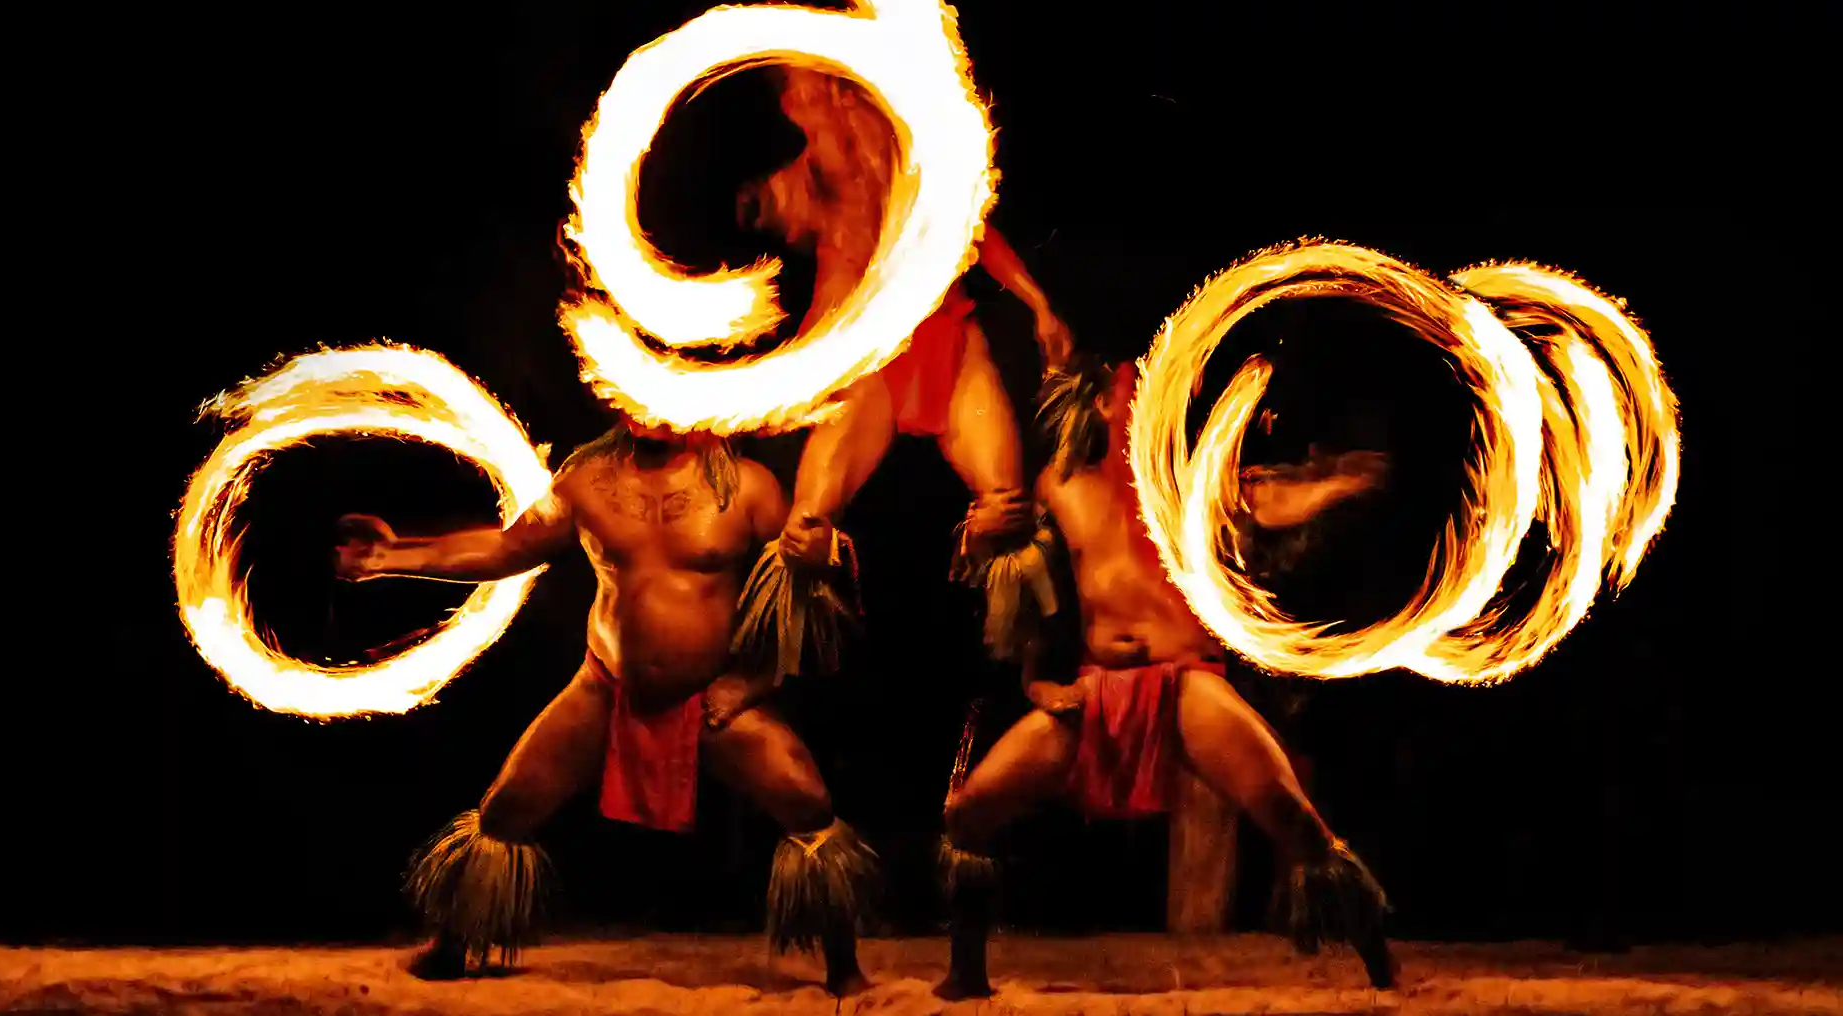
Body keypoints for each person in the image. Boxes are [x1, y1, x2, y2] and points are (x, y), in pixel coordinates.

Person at [334, 416, 877, 995]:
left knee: (809, 807)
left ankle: (845, 968)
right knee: (506, 810)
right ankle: (450, 948)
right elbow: (505, 548)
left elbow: (811, 599)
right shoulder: (586, 481)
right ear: (621, 399)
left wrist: (763, 664)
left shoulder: (747, 487)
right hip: (604, 687)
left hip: (714, 695)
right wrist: (392, 556)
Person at [931, 355, 1398, 1000]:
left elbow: (1272, 499)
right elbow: (1024, 593)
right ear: (1103, 403)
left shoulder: (1192, 486)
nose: (1156, 389)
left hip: (1186, 687)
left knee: (1296, 822)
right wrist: (1033, 677)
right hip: (1095, 692)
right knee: (969, 815)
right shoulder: (1059, 488)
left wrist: (1337, 484)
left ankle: (1382, 968)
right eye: (1137, 381)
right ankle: (966, 975)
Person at [736, 66, 1073, 669]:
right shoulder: (802, 181)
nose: (815, 97)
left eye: (823, 84)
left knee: (1008, 511)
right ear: (790, 105)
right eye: (800, 89)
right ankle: (770, 677)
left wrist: (1039, 302)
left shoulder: (914, 151)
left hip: (948, 344)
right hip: (869, 370)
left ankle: (1025, 675)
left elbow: (976, 231)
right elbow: (778, 224)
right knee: (805, 532)